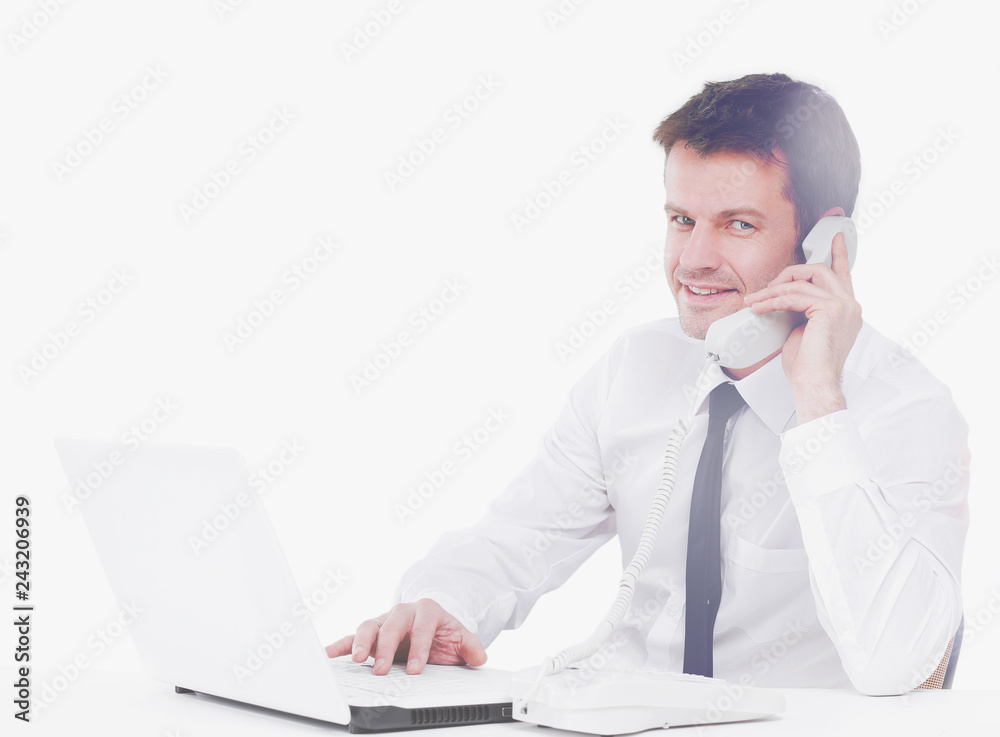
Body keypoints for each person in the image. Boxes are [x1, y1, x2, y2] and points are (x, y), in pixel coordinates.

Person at [326, 73, 969, 695]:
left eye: (739, 224)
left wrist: (820, 411)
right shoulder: (635, 367)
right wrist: (438, 605)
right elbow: (517, 538)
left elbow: (897, 663)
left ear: (825, 244)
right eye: (682, 219)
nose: (693, 261)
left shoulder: (904, 410)